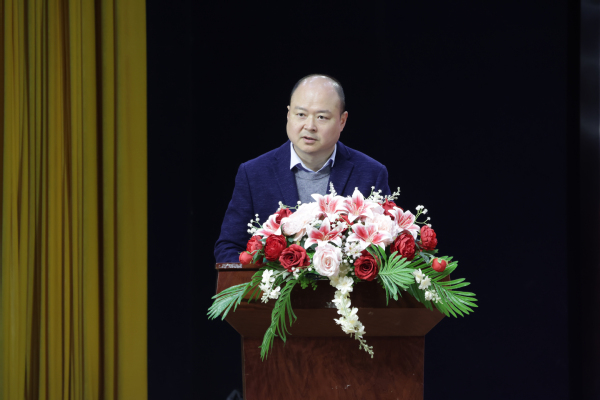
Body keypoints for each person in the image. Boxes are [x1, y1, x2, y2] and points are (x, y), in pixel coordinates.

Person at [214, 74, 391, 262]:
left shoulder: (371, 173)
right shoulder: (253, 174)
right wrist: (268, 276)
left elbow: (390, 247)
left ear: (342, 121)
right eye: (301, 115)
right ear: (288, 114)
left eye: (321, 117)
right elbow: (228, 248)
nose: (310, 126)